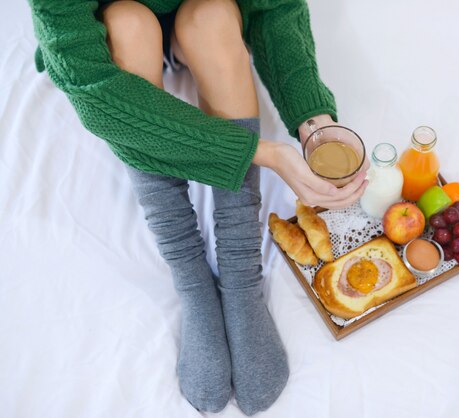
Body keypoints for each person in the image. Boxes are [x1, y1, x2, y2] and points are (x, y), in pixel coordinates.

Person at [27, 0, 368, 415]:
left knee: (213, 16)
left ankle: (240, 274)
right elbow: (94, 91)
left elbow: (276, 8)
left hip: (206, 17)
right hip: (115, 37)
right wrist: (264, 153)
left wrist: (315, 121)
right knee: (128, 24)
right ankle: (191, 278)